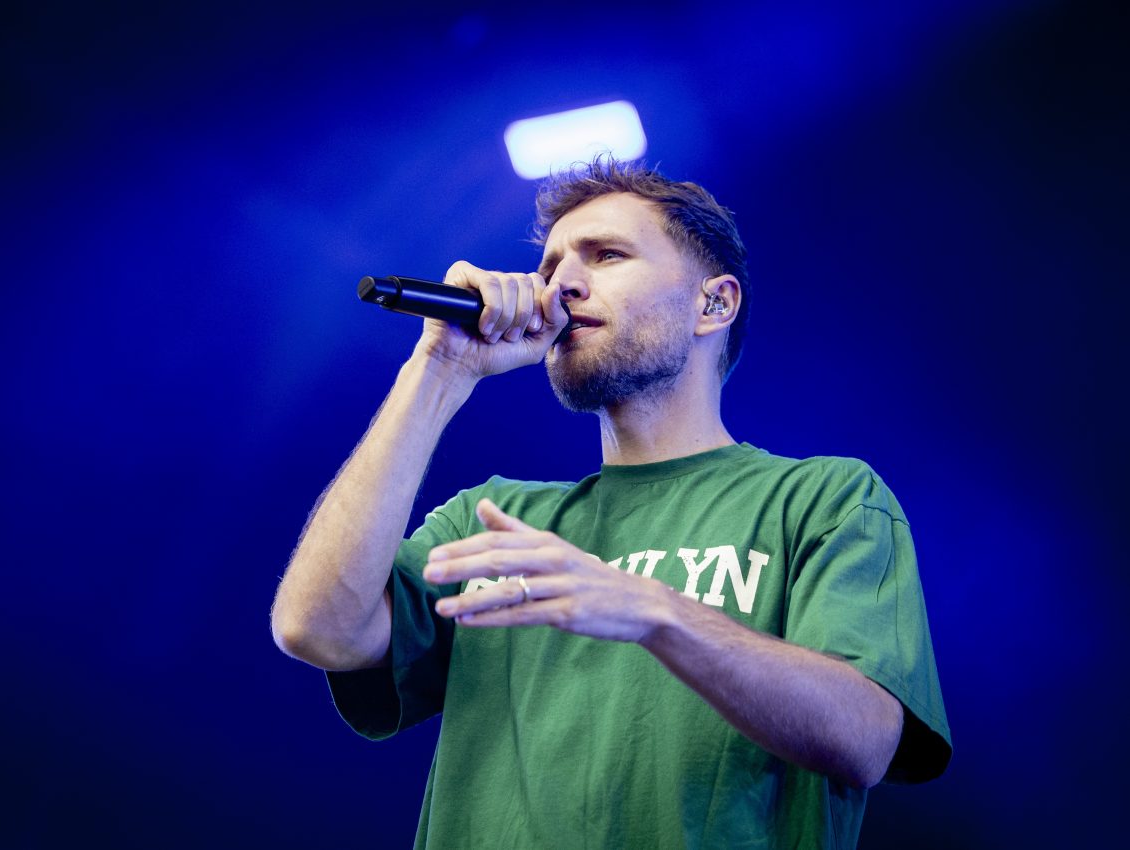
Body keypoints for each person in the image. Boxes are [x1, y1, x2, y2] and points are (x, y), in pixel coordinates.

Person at [271, 158, 951, 849]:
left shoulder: (823, 499)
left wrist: (654, 611)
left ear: (711, 304)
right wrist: (440, 368)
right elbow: (316, 628)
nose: (561, 284)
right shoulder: (496, 520)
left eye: (606, 255)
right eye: (549, 268)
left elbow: (865, 741)